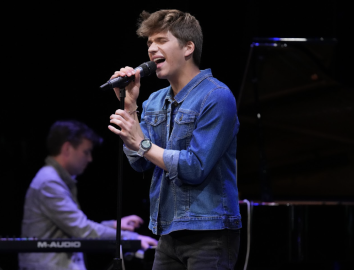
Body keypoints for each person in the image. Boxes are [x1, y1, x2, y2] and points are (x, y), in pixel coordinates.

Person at [108, 9, 241, 270]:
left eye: (161, 41)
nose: (151, 49)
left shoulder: (216, 96)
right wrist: (130, 105)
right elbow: (140, 163)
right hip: (167, 231)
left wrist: (143, 143)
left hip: (208, 232)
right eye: (149, 43)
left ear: (188, 47)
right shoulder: (155, 101)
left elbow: (195, 167)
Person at [18, 119, 158, 270]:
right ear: (67, 148)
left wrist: (114, 225)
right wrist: (132, 238)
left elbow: (72, 227)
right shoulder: (49, 182)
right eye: (86, 152)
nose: (90, 159)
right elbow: (82, 230)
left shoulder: (54, 179)